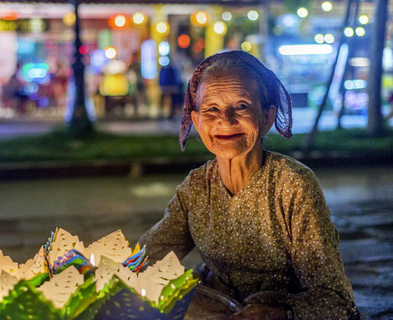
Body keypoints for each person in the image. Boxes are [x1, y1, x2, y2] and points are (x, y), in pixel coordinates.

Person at [138, 51, 359, 319]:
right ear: (196, 121)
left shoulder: (293, 184)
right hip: (217, 308)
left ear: (266, 118)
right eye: (211, 109)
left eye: (242, 106)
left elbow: (334, 297)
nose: (226, 120)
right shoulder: (196, 186)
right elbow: (148, 256)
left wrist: (280, 313)